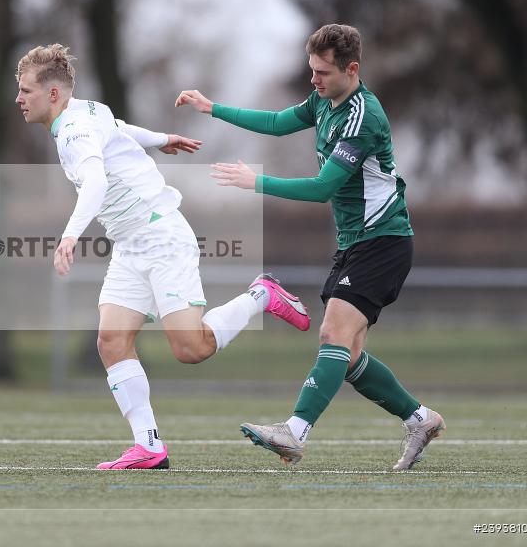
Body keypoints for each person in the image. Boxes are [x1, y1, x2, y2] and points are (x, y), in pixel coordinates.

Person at [15, 43, 310, 470]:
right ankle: (149, 447)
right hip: (131, 245)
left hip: (160, 236)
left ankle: (261, 295)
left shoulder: (75, 132)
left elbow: (95, 182)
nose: (19, 99)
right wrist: (163, 139)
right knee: (112, 341)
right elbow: (118, 127)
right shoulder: (84, 112)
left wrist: (70, 235)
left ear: (54, 94)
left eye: (26, 90)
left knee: (191, 348)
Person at [175, 24, 444, 471]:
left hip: (385, 241)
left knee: (332, 335)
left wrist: (255, 181)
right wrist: (212, 108)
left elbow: (322, 189)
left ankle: (294, 432)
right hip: (356, 243)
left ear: (351, 69)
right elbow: (281, 123)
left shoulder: (364, 117)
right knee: (349, 355)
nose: (314, 80)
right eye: (311, 70)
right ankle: (419, 418)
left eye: (322, 72)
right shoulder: (325, 99)